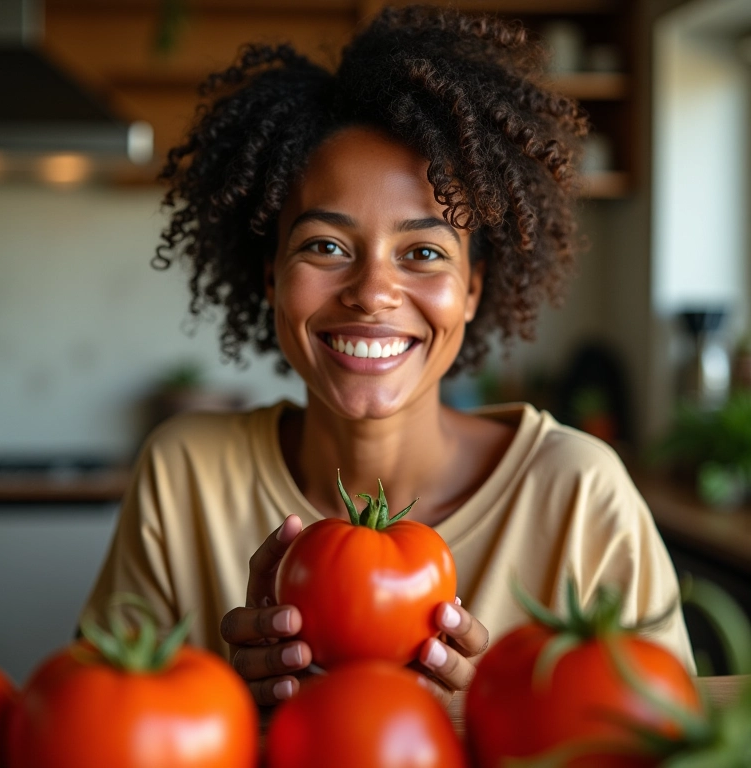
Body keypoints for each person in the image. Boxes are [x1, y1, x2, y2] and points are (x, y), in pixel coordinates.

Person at [80, 4, 695, 709]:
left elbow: (669, 738)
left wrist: (494, 713)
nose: (373, 293)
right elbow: (89, 729)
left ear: (472, 289)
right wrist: (225, 701)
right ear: (271, 278)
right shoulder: (184, 475)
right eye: (325, 246)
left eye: (424, 252)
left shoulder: (581, 497)